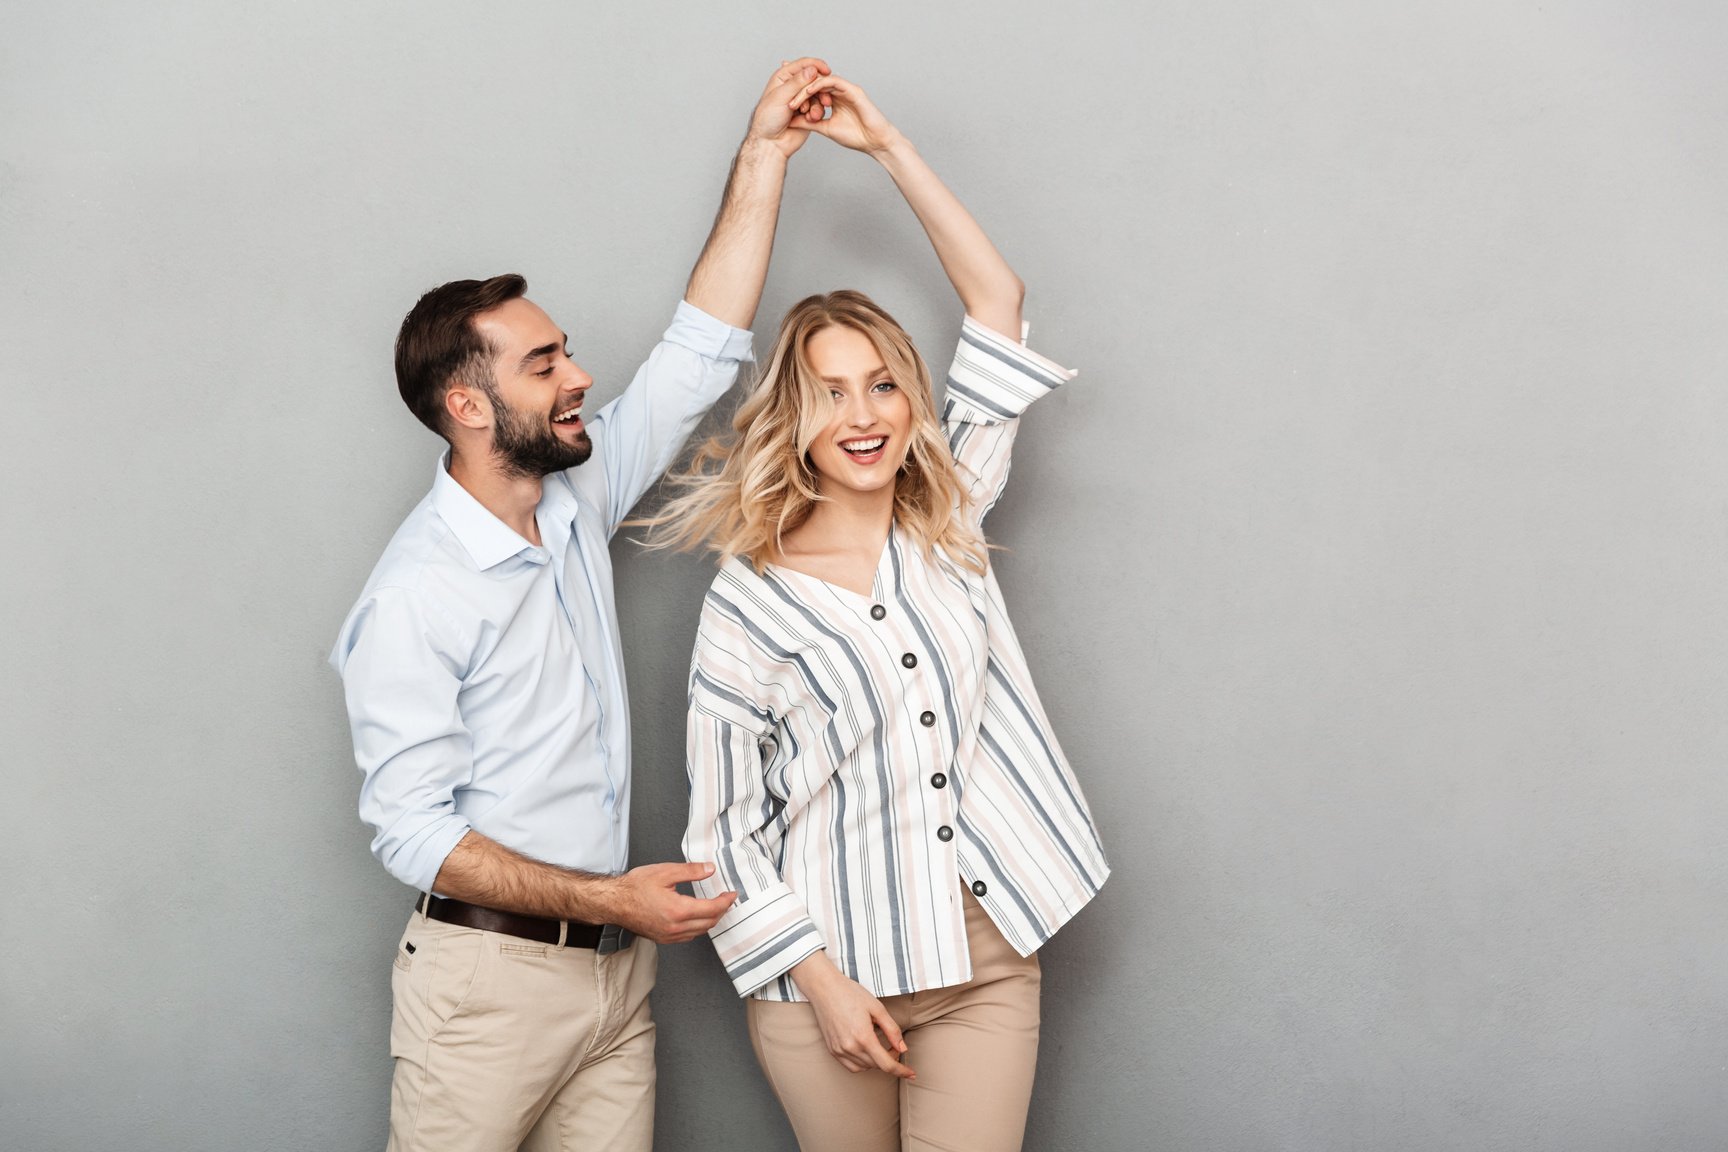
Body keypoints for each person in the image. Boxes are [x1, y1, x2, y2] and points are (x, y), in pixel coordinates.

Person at [328, 58, 837, 1152]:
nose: (579, 376)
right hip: (485, 991)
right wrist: (619, 903)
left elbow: (695, 354)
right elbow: (413, 832)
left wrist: (764, 157)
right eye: (546, 362)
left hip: (613, 984)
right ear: (468, 405)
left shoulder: (575, 496)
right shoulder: (417, 595)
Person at [649, 74, 1110, 1151]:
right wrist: (817, 982)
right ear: (796, 420)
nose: (863, 416)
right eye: (831, 392)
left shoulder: (948, 519)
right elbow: (722, 837)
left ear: (909, 399)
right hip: (826, 983)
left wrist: (887, 144)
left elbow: (998, 303)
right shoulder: (748, 601)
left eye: (883, 385)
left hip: (984, 958)